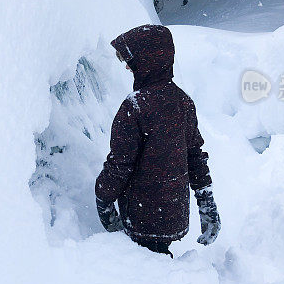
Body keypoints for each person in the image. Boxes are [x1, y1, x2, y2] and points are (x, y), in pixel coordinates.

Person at [94, 24, 220, 257]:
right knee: (159, 258)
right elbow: (195, 156)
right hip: (173, 214)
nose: (128, 68)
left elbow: (120, 164)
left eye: (130, 63)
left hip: (142, 217)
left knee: (147, 270)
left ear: (146, 61)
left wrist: (103, 196)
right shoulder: (183, 101)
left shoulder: (136, 106)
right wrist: (206, 201)